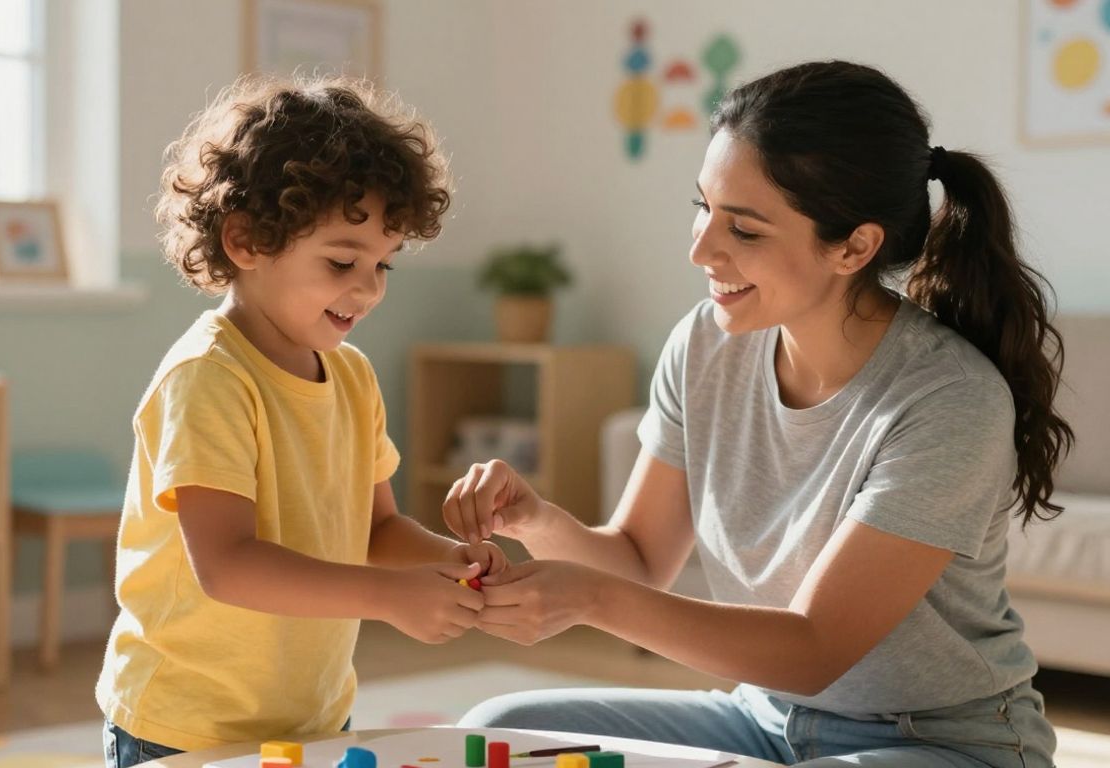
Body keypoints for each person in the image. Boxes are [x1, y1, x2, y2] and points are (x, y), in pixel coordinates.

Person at [450, 61, 1071, 767]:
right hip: (762, 719)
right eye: (703, 207)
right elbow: (641, 560)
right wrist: (535, 519)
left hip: (939, 742)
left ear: (854, 246)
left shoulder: (948, 400)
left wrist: (591, 600)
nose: (700, 249)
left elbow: (814, 650)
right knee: (496, 730)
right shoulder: (705, 344)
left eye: (743, 229)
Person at [96, 75, 505, 768]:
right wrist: (390, 599)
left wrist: (445, 561)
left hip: (311, 715)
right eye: (343, 260)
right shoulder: (209, 378)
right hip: (185, 727)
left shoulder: (352, 377)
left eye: (382, 265)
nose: (368, 287)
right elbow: (227, 565)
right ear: (247, 240)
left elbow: (375, 530)